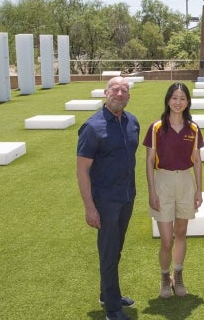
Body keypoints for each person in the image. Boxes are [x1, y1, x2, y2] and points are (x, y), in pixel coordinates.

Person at [76, 76, 140, 320]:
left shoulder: (132, 122)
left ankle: (107, 293)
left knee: (116, 248)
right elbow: (82, 170)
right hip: (105, 201)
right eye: (115, 89)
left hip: (127, 197)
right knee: (109, 251)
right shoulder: (92, 127)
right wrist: (89, 207)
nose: (120, 93)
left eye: (124, 90)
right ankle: (112, 307)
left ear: (129, 96)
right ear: (106, 92)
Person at [143, 82, 204, 298]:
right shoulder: (157, 127)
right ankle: (164, 277)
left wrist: (199, 190)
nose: (178, 102)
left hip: (186, 182)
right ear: (168, 100)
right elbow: (149, 161)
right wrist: (152, 191)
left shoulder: (193, 128)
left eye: (183, 98)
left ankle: (178, 276)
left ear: (188, 102)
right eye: (175, 98)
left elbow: (197, 161)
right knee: (166, 239)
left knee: (181, 233)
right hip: (163, 181)